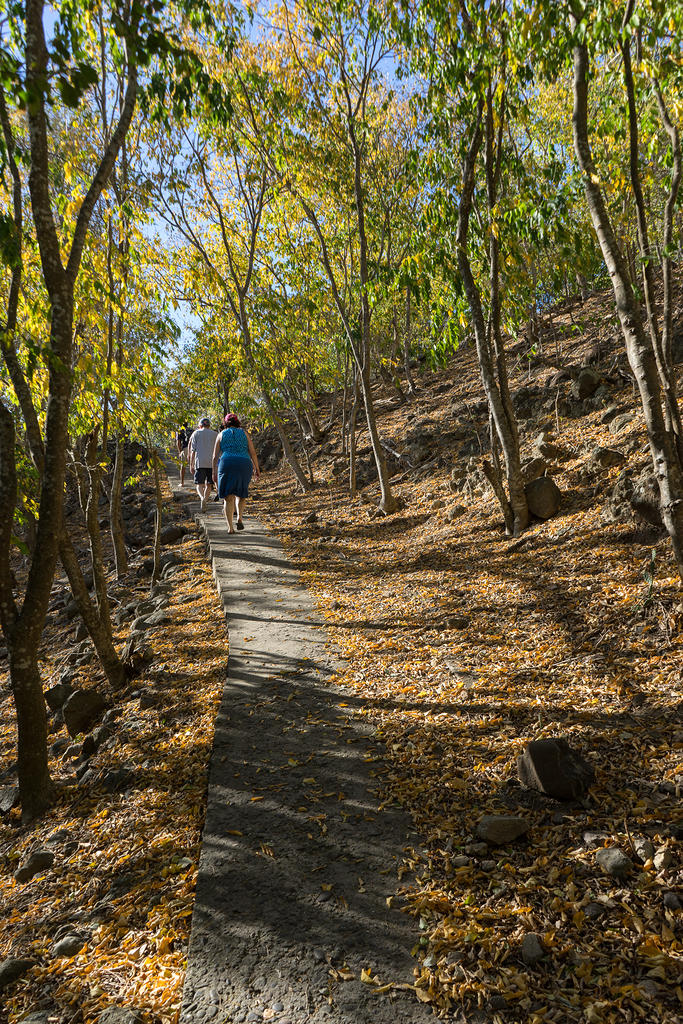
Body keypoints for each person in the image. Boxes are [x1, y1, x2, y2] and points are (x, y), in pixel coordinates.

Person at [212, 412, 260, 533]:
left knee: (228, 497)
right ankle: (239, 517)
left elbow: (214, 456)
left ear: (225, 423)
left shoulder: (221, 434)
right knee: (241, 493)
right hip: (244, 463)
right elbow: (252, 452)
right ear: (237, 422)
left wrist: (213, 472)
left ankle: (230, 528)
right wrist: (257, 468)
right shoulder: (244, 434)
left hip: (226, 463)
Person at [189, 416, 218, 512]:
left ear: (200, 425)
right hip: (211, 463)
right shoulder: (215, 434)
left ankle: (202, 498)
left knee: (199, 484)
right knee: (209, 484)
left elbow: (193, 451)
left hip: (200, 462)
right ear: (209, 425)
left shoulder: (196, 433)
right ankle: (205, 500)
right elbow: (218, 450)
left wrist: (191, 464)